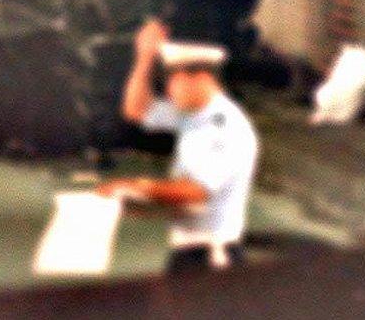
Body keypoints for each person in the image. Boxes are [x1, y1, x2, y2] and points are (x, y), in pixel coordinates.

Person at [98, 19, 260, 274]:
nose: (169, 90)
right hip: (190, 251)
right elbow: (136, 110)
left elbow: (195, 192)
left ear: (201, 78)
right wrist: (144, 59)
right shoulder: (193, 115)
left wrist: (135, 187)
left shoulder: (225, 126)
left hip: (211, 256)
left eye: (174, 81)